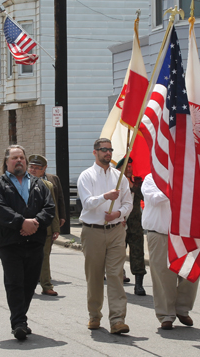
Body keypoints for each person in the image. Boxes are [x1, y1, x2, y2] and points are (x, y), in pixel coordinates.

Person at [0, 145, 55, 341]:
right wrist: (21, 222)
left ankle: (20, 319)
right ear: (7, 161)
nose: (19, 160)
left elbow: (49, 208)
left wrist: (36, 223)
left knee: (29, 283)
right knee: (14, 282)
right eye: (15, 158)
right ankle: (19, 322)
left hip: (34, 241)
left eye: (22, 158)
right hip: (10, 243)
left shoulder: (39, 184)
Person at [77, 138, 133, 334]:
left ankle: (117, 319)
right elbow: (87, 202)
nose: (108, 153)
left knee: (116, 274)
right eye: (103, 150)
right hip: (93, 231)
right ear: (95, 152)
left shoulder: (120, 177)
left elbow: (128, 203)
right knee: (94, 275)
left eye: (110, 150)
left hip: (116, 230)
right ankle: (94, 315)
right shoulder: (87, 176)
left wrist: (118, 214)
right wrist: (105, 197)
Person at [142, 173, 199, 330]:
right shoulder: (150, 179)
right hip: (160, 234)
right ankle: (166, 314)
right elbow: (155, 199)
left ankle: (182, 309)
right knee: (163, 276)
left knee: (190, 273)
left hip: (185, 235)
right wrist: (175, 187)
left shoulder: (187, 175)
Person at [27, 154, 61, 296]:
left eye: (37, 168)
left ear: (43, 170)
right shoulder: (20, 184)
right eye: (31, 167)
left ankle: (46, 285)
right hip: (26, 228)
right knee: (27, 258)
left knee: (44, 257)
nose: (33, 170)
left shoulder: (48, 186)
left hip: (44, 228)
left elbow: (53, 208)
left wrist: (56, 228)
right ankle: (28, 286)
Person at [116, 156, 146, 296]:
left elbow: (143, 196)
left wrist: (131, 185)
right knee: (117, 254)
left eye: (130, 166)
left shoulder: (138, 182)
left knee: (138, 254)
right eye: (126, 167)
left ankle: (138, 285)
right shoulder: (114, 183)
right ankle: (116, 280)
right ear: (119, 169)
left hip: (135, 225)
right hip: (118, 224)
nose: (129, 169)